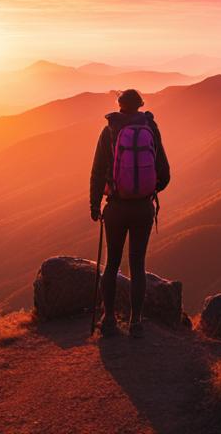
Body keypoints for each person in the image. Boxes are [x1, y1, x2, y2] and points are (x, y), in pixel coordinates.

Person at [89, 88, 171, 337]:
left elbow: (96, 171)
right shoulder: (151, 128)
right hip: (143, 209)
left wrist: (95, 205)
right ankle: (136, 322)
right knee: (137, 264)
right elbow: (165, 174)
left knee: (112, 263)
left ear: (120, 105)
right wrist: (147, 191)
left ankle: (110, 318)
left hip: (116, 207)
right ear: (140, 105)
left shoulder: (110, 130)